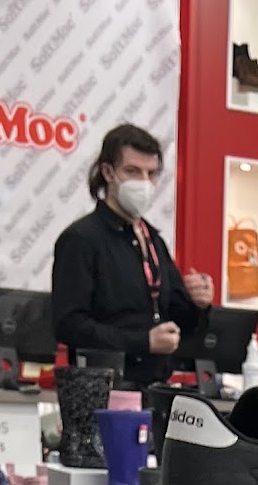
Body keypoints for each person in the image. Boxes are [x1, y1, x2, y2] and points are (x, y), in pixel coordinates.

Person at [51, 123, 213, 391]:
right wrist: (143, 342)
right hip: (101, 389)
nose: (144, 183)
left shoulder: (153, 240)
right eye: (133, 171)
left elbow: (181, 319)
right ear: (108, 172)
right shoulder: (81, 239)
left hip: (155, 386)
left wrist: (199, 304)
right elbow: (69, 325)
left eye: (151, 174)